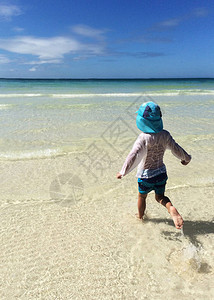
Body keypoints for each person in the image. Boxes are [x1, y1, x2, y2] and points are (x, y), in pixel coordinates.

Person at [116, 101, 191, 229]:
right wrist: (186, 158)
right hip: (161, 174)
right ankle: (171, 208)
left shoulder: (143, 137)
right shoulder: (165, 134)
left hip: (146, 176)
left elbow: (133, 155)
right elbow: (176, 148)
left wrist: (123, 171)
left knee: (142, 196)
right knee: (160, 197)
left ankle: (140, 217)